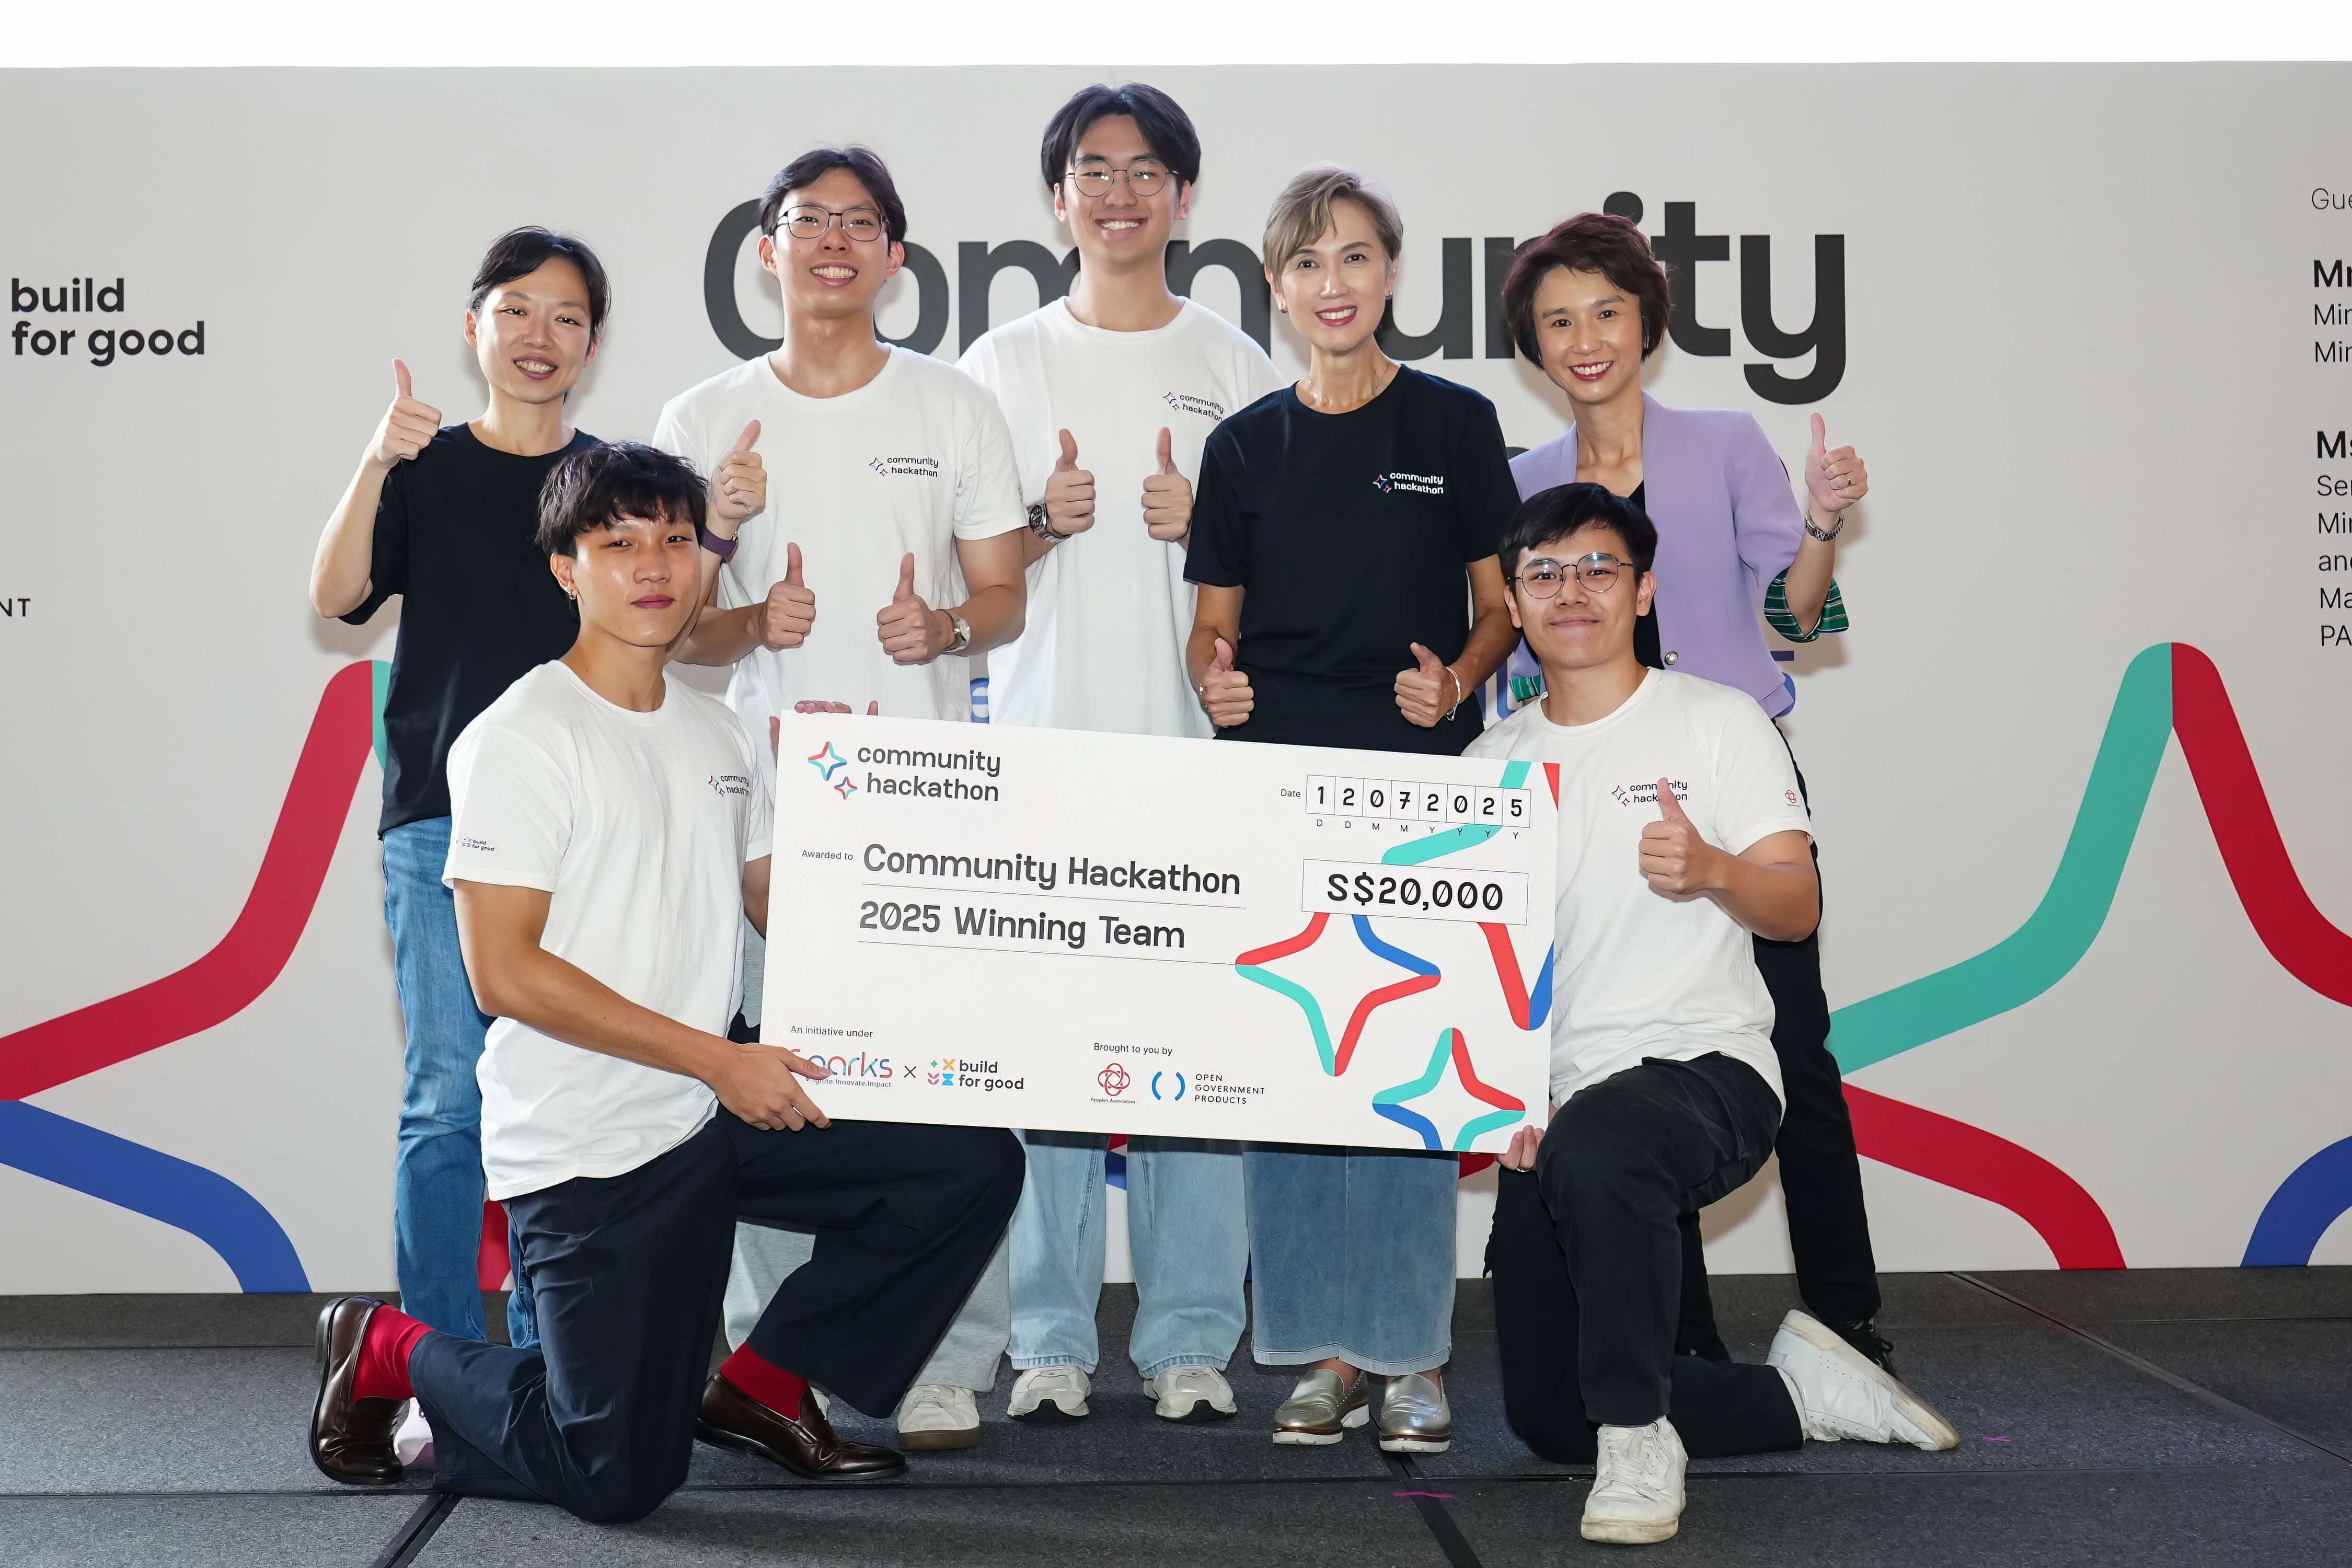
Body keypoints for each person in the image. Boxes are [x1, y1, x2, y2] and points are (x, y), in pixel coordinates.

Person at [306, 442, 1024, 1521]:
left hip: (703, 1113)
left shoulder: (720, 727)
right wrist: (719, 1062)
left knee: (961, 1165)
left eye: (676, 541)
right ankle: (390, 1346)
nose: (654, 565)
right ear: (566, 568)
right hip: (591, 1145)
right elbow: (503, 974)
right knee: (617, 1475)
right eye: (619, 543)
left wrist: (973, 961)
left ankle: (760, 1385)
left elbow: (782, 903)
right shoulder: (520, 737)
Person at [1468, 482, 1956, 1546]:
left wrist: (1714, 867)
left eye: (1598, 568)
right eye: (1543, 575)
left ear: (1643, 589)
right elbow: (1473, 981)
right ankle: (1803, 1396)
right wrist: (1485, 1100)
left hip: (1709, 1072)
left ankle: (1642, 1439)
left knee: (1601, 1150)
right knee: (1549, 1415)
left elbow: (1796, 908)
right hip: (1552, 1106)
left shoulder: (1719, 723)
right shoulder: (1487, 767)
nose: (1572, 592)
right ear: (1512, 600)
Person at [652, 143, 1028, 1454]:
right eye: (809, 222)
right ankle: (767, 1365)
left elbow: (1005, 599)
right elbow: (670, 635)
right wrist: (742, 587)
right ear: (767, 248)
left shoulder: (952, 408)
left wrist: (947, 630)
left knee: (944, 1094)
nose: (833, 243)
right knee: (771, 1083)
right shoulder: (705, 420)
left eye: (860, 224)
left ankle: (936, 1361)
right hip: (746, 809)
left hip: (923, 811)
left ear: (895, 258)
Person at [1498, 212, 1891, 1371]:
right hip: (1585, 792)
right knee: (1623, 1064)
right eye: (1558, 319)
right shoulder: (1521, 478)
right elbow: (1519, 644)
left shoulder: (1722, 443)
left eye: (1606, 313)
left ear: (1648, 323)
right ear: (1533, 340)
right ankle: (1685, 1349)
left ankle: (1845, 1320)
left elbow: (1798, 615)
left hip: (1728, 784)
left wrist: (1822, 519)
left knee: (1794, 1049)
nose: (1585, 339)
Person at [954, 80, 1281, 1433]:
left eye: (1145, 170)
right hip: (1038, 765)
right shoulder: (999, 366)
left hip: (1197, 765)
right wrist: (1039, 524)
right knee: (1044, 1077)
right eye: (1093, 168)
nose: (1119, 191)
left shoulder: (1240, 365)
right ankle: (1046, 1339)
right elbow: (952, 572)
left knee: (1196, 1070)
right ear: (1056, 197)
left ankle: (1193, 1337)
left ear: (1185, 197)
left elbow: (1295, 574)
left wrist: (1210, 524)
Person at [1182, 167, 1520, 1452]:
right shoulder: (1243, 446)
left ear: (1391, 276)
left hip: (1416, 787)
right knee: (1299, 1070)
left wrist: (1462, 678)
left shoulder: (1452, 424)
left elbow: (1498, 605)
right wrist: (1211, 686)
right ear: (1277, 287)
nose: (1336, 285)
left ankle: (1411, 1356)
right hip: (1272, 788)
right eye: (1310, 263)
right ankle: (1320, 1351)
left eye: (1359, 259)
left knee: (1408, 1072)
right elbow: (1210, 630)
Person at [309, 226, 619, 1359]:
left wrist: (720, 527)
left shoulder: (610, 484)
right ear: (475, 324)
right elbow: (338, 594)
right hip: (440, 823)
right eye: (519, 309)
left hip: (585, 837)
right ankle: (435, 1367)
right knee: (449, 1102)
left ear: (592, 342)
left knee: (561, 1103)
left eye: (568, 317)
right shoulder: (426, 467)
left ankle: (549, 1368)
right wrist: (375, 462)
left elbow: (665, 633)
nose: (541, 336)